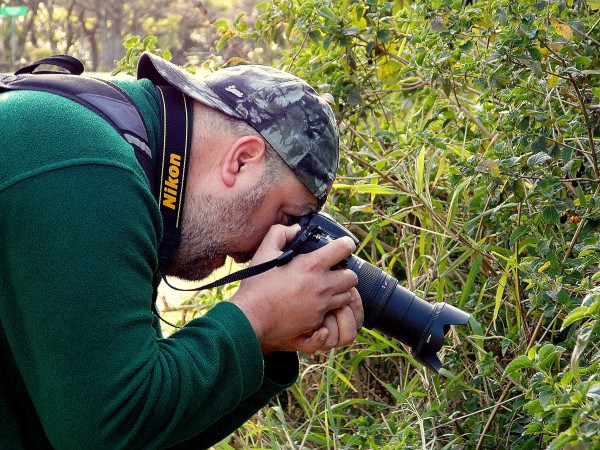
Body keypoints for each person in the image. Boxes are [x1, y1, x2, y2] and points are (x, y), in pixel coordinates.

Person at [0, 53, 363, 448]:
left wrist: (264, 344)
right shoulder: (90, 168)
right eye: (285, 216)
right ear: (241, 160)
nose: (258, 252)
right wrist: (256, 315)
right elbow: (107, 433)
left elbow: (150, 435)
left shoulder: (123, 154)